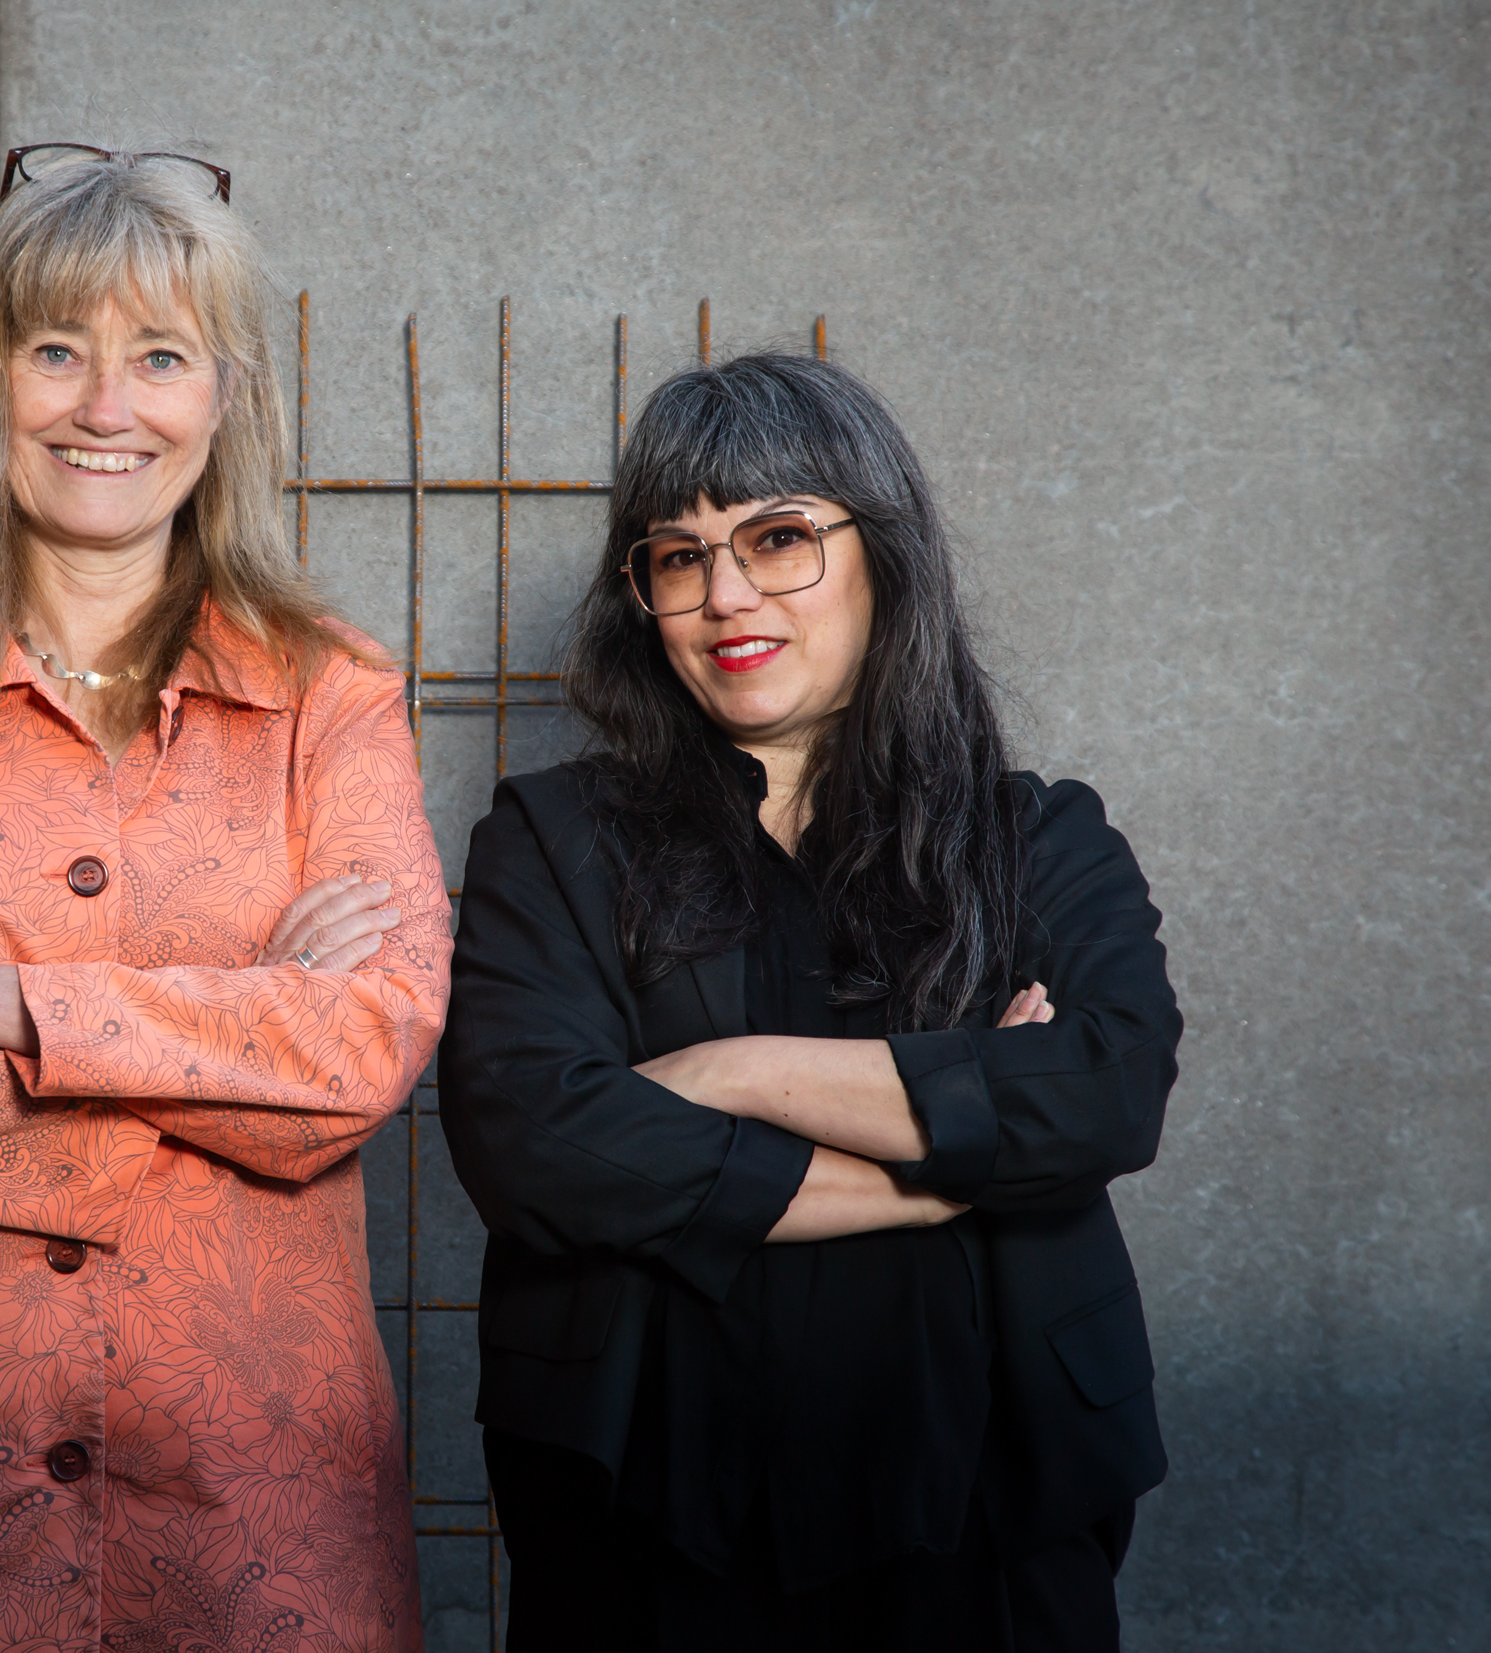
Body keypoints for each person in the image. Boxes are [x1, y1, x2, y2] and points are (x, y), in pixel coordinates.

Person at [0, 146, 449, 1651]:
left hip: (249, 1491)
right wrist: (230, 1038)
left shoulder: (333, 693)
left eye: (161, 357)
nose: (106, 408)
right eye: (55, 350)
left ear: (225, 398)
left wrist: (8, 1008)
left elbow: (364, 1048)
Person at [439, 352, 1180, 1650]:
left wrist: (729, 1074)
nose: (725, 595)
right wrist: (947, 1169)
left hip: (989, 1522)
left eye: (778, 538)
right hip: (651, 1527)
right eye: (678, 557)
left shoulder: (1041, 840)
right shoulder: (551, 841)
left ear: (883, 552)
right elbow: (535, 1139)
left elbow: (1101, 1089)